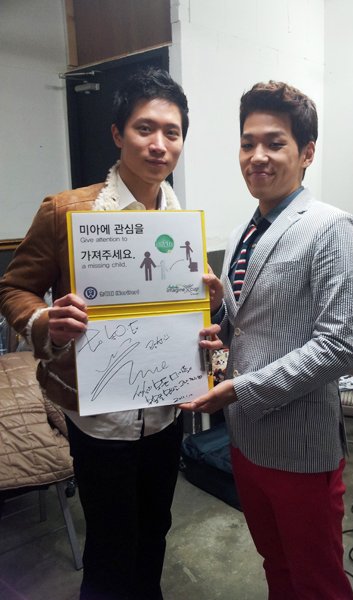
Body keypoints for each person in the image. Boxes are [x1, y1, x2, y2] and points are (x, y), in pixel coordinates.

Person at [0, 67, 220, 600]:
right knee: (109, 544)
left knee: (156, 528)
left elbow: (191, 312)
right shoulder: (66, 210)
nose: (159, 144)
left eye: (172, 132)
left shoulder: (184, 223)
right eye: (145, 128)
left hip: (166, 412)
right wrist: (45, 321)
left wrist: (206, 317)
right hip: (100, 418)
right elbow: (14, 288)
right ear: (118, 134)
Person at [180, 81, 353, 599]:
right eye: (248, 143)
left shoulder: (332, 228)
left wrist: (240, 389)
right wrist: (218, 314)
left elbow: (341, 344)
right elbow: (254, 321)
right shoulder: (246, 230)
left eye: (274, 143)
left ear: (307, 153)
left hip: (300, 445)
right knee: (276, 566)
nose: (257, 156)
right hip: (247, 440)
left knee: (318, 580)